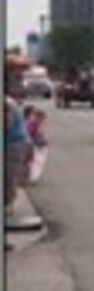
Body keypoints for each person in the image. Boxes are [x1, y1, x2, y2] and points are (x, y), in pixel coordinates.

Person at [5, 94, 42, 233]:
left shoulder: (6, 105)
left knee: (9, 177)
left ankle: (7, 208)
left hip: (14, 145)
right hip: (15, 144)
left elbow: (7, 125)